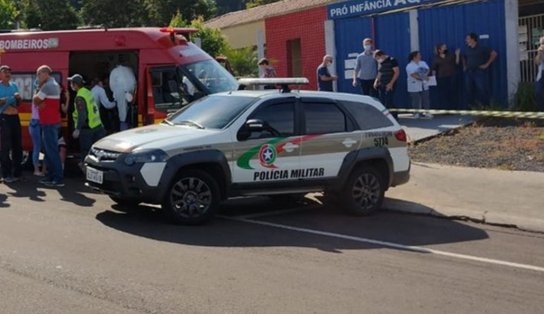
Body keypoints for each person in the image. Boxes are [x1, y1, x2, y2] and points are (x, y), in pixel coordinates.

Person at [33, 65, 64, 187]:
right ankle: (51, 176)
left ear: (46, 73)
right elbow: (38, 102)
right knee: (48, 151)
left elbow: (35, 100)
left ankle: (57, 178)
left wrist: (38, 100)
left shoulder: (48, 86)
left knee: (51, 151)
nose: (37, 77)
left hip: (50, 123)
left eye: (39, 74)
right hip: (48, 122)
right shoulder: (51, 84)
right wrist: (40, 102)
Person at [68, 74, 107, 160]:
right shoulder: (87, 92)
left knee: (86, 152)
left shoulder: (79, 97)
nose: (70, 85)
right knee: (97, 152)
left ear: (75, 85)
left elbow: (82, 114)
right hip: (97, 126)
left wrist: (77, 129)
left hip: (87, 128)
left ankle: (86, 170)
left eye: (71, 83)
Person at [0, 65, 23, 183]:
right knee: (5, 147)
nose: (7, 73)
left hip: (15, 118)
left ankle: (17, 173)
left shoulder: (14, 86)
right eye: (4, 71)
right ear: (0, 74)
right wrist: (3, 101)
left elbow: (18, 103)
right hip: (3, 118)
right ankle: (6, 174)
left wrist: (18, 98)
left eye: (9, 71)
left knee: (17, 146)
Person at [463, 32, 497, 108]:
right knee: (469, 89)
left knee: (482, 89)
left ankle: (486, 106)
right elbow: (464, 57)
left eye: (468, 39)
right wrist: (465, 66)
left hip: (479, 72)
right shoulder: (467, 49)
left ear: (473, 39)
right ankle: (472, 106)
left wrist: (487, 64)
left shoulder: (482, 48)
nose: (466, 40)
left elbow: (494, 53)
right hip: (469, 72)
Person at [109, 57, 136, 131]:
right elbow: (134, 82)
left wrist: (114, 94)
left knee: (122, 113)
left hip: (120, 92)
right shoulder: (129, 70)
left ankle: (123, 129)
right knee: (128, 111)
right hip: (131, 93)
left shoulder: (114, 71)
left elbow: (111, 85)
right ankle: (128, 126)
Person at [431, 43, 461, 110]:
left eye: (445, 47)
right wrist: (433, 78)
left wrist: (457, 55)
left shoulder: (450, 55)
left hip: (451, 76)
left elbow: (457, 63)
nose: (445, 48)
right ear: (439, 50)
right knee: (444, 93)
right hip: (442, 77)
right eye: (443, 47)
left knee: (453, 92)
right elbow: (434, 68)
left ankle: (454, 108)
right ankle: (445, 108)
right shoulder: (436, 58)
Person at [373, 50, 400, 119]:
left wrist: (391, 84)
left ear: (381, 55)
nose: (377, 60)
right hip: (382, 84)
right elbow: (380, 73)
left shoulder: (392, 60)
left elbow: (397, 72)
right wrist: (376, 81)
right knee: (383, 100)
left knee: (389, 101)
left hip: (390, 84)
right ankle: (386, 117)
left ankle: (394, 117)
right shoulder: (380, 63)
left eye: (377, 58)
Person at [407, 51, 432, 119]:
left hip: (424, 84)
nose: (420, 56)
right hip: (414, 85)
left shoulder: (423, 63)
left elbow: (428, 70)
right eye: (419, 55)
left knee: (426, 98)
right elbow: (413, 75)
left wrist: (425, 75)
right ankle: (416, 113)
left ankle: (427, 112)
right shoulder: (409, 66)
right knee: (416, 99)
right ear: (414, 57)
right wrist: (423, 77)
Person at [534, 36, 544, 111]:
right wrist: (540, 53)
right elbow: (537, 62)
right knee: (538, 92)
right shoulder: (540, 52)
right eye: (541, 43)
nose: (542, 45)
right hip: (541, 75)